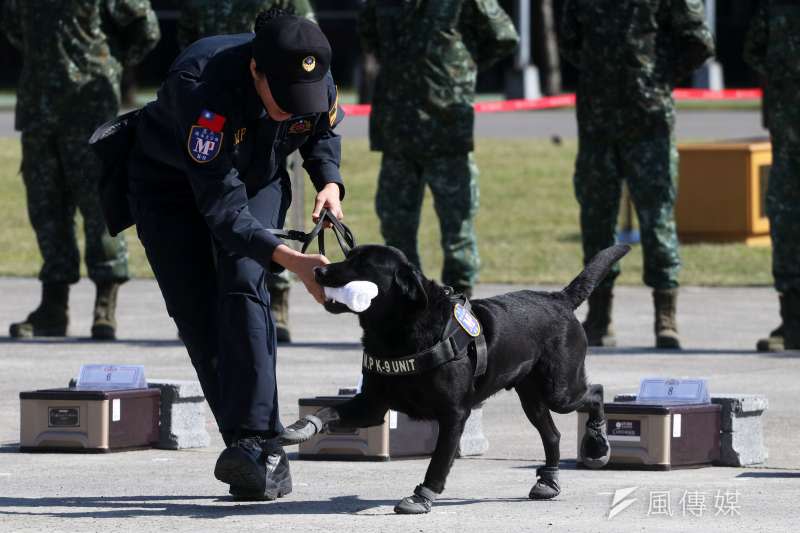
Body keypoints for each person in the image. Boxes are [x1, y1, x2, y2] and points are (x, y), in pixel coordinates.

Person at [123, 10, 345, 499]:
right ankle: (250, 446)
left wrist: (328, 180)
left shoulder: (313, 75)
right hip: (170, 190)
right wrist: (295, 261)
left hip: (257, 178)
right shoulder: (201, 86)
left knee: (245, 282)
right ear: (255, 71)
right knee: (198, 314)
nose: (291, 110)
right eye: (282, 99)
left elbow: (322, 131)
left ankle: (260, 448)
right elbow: (223, 214)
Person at [1, 0, 160, 340]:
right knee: (46, 208)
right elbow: (15, 28)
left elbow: (146, 29)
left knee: (99, 206)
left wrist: (109, 64)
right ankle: (52, 307)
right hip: (38, 107)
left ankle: (106, 302)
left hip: (89, 108)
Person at [560, 0, 715, 349]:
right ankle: (599, 316)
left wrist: (656, 76)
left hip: (649, 123)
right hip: (598, 121)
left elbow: (699, 40)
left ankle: (666, 316)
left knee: (657, 217)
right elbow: (569, 40)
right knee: (595, 218)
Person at [177, 0, 317, 343]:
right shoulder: (208, 81)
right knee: (217, 219)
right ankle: (217, 310)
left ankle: (277, 297)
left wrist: (330, 181)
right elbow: (187, 35)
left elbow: (306, 46)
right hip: (222, 109)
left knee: (275, 209)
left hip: (277, 116)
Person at [359, 0, 519, 298]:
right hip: (398, 129)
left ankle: (460, 305)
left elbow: (504, 36)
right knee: (395, 225)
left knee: (457, 226)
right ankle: (411, 300)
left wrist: (461, 68)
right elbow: (370, 36)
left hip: (446, 128)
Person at [745, 1, 800, 352]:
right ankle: (792, 321)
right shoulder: (777, 6)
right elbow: (754, 50)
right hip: (788, 139)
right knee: (785, 222)